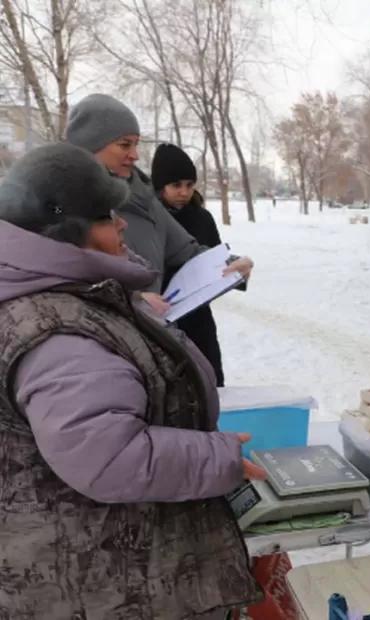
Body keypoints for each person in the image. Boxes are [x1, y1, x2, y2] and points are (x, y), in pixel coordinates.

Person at [0, 143, 264, 618]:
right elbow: (107, 457)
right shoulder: (60, 331)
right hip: (102, 584)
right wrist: (219, 456)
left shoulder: (60, 297)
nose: (121, 224)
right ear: (66, 232)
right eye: (106, 215)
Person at [64, 93, 253, 314]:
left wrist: (231, 264)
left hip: (151, 334)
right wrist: (132, 301)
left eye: (136, 144)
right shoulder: (58, 203)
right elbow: (55, 281)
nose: (134, 155)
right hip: (95, 336)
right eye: (125, 145)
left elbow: (187, 252)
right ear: (90, 146)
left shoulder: (145, 200)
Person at [152, 142, 226, 385]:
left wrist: (232, 272)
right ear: (159, 186)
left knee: (209, 381)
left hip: (198, 317)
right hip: (158, 316)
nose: (184, 192)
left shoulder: (202, 218)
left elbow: (215, 260)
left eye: (189, 185)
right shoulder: (148, 219)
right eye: (176, 185)